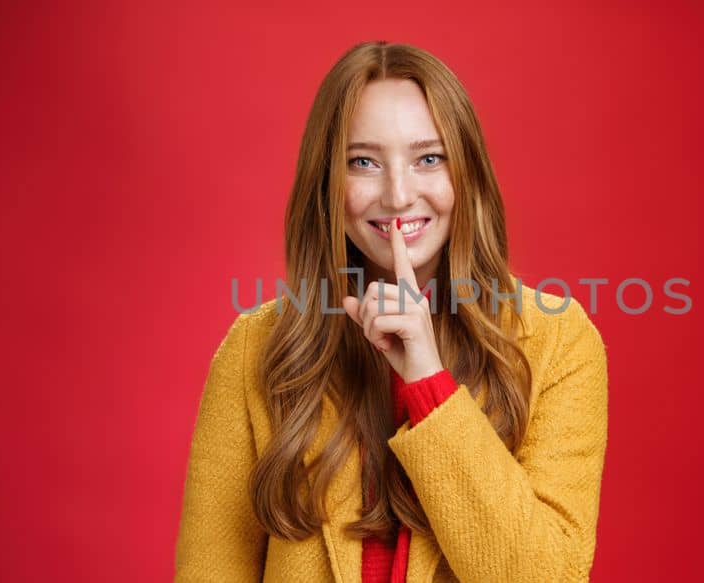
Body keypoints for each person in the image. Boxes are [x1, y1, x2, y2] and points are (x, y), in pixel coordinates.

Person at [173, 41, 608, 582]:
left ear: (464, 172)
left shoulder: (560, 342)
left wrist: (428, 382)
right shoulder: (255, 350)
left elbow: (549, 576)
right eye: (364, 162)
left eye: (429, 158)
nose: (398, 195)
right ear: (328, 183)